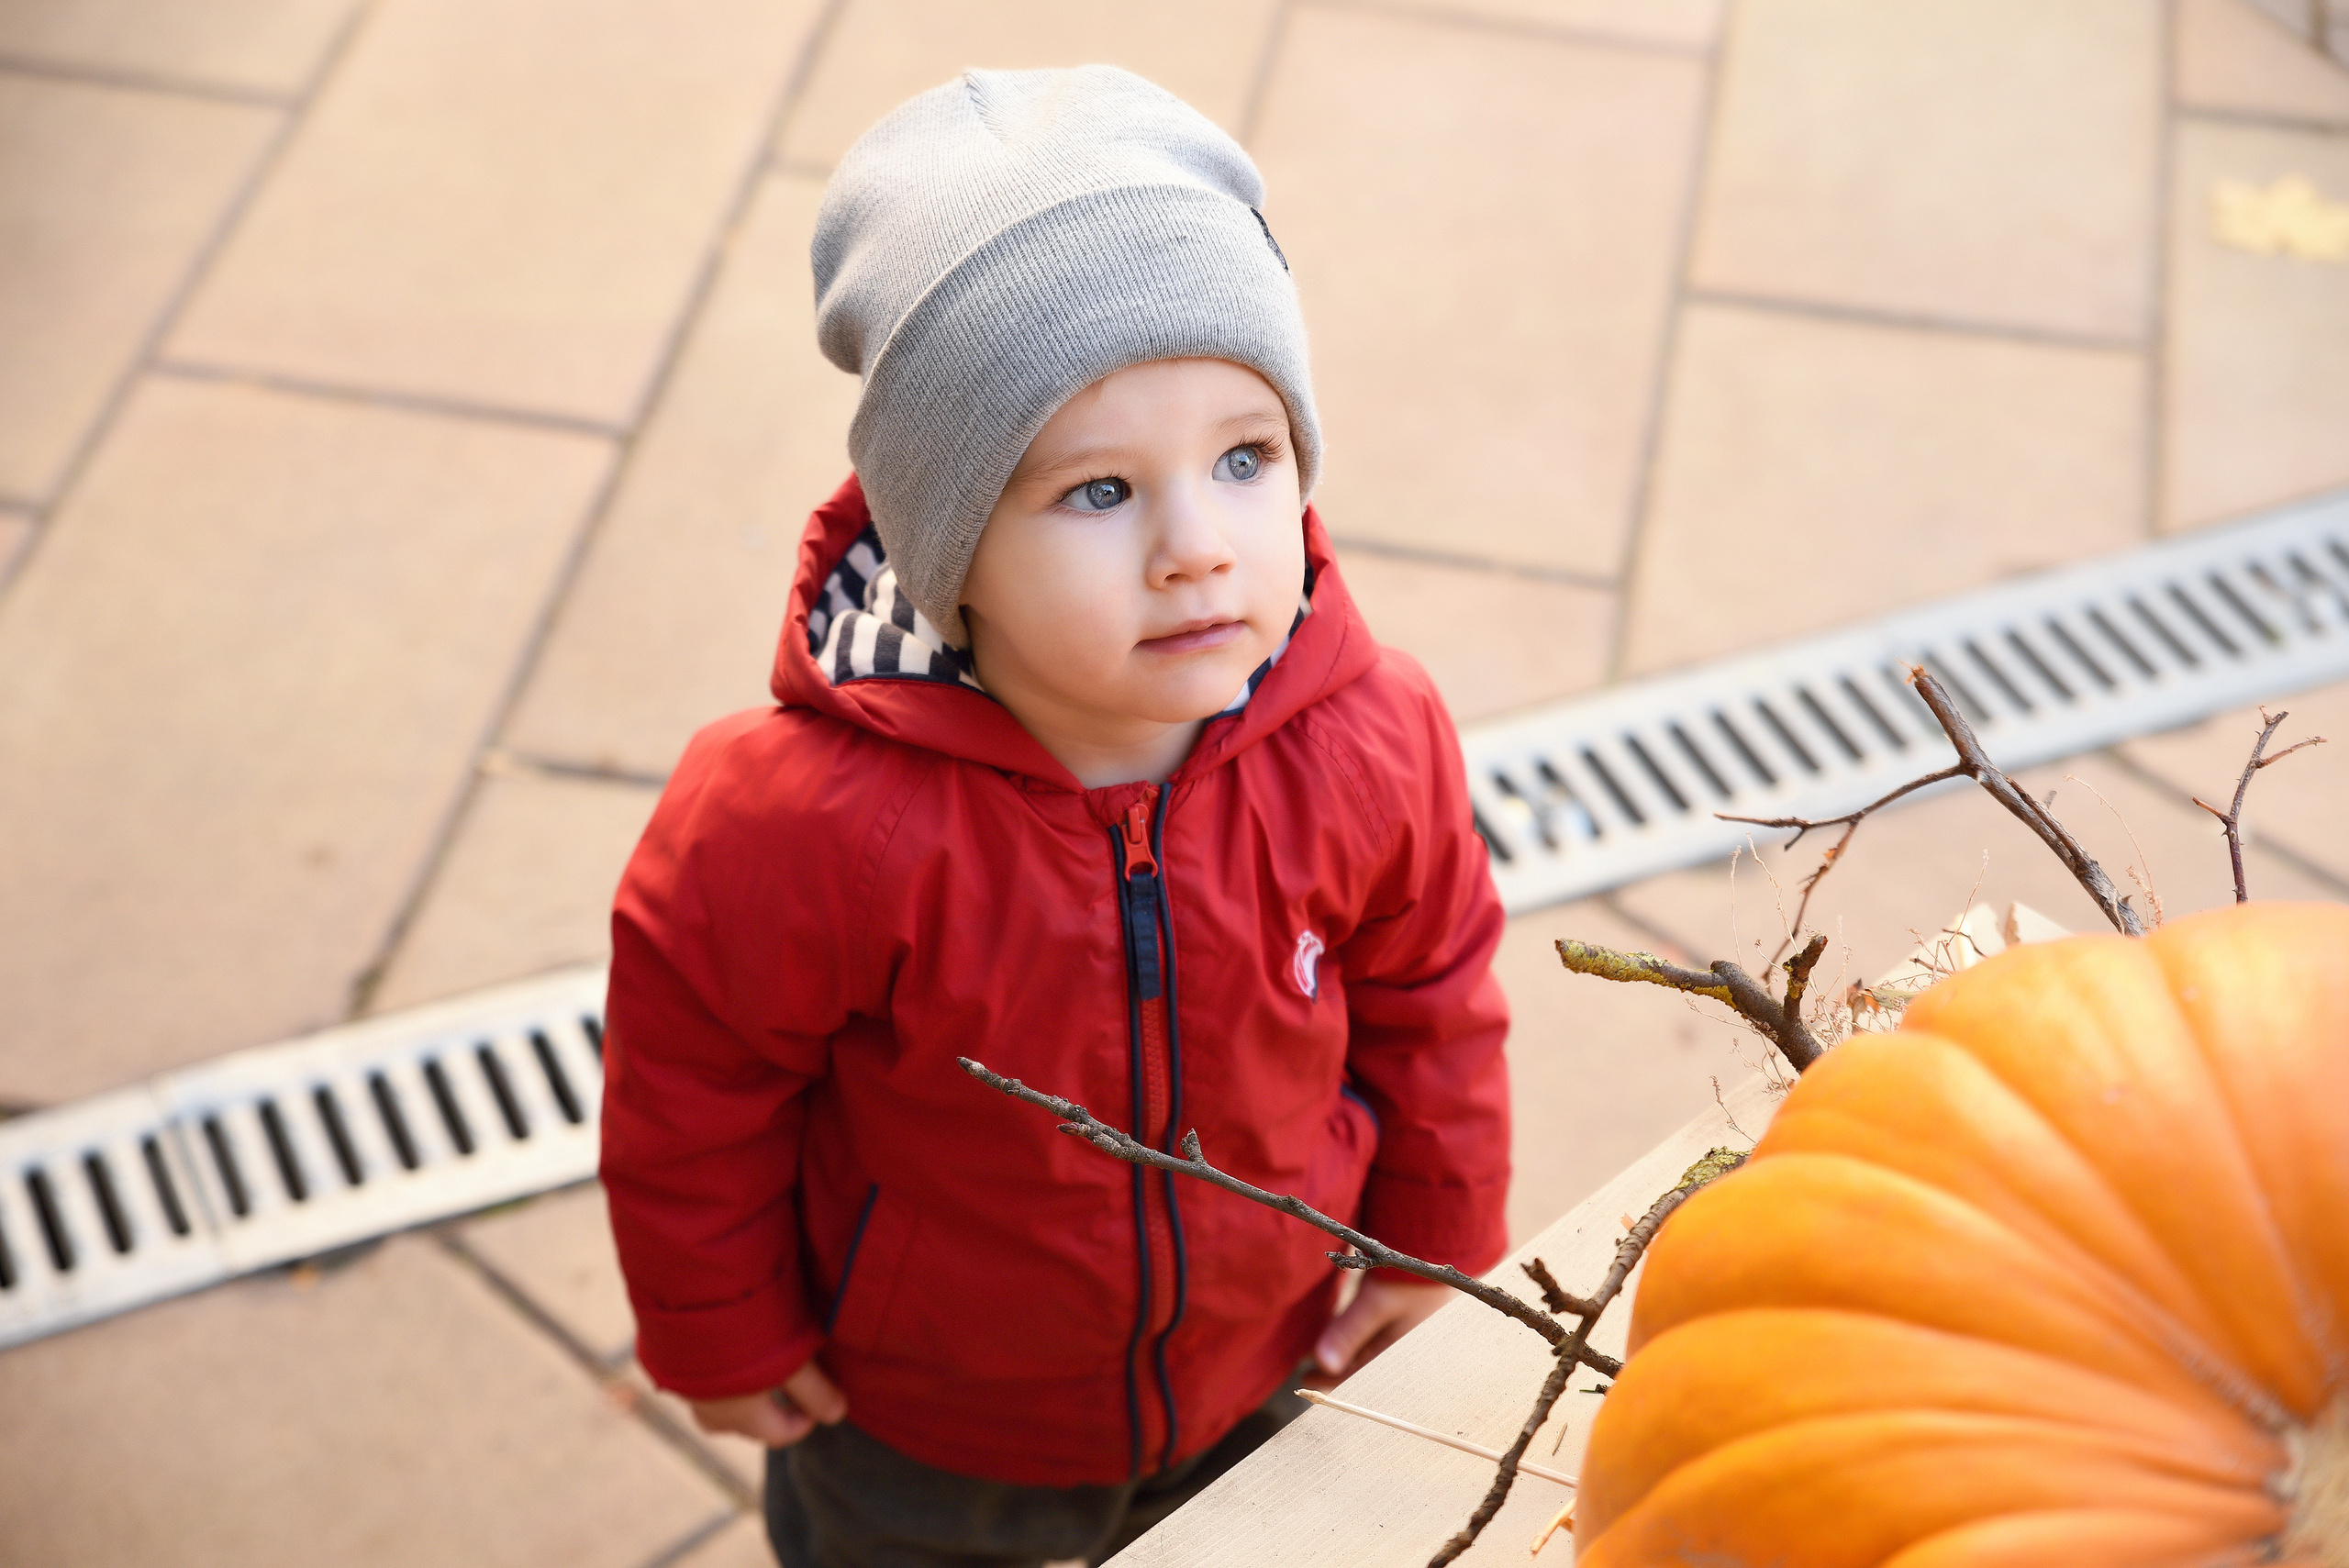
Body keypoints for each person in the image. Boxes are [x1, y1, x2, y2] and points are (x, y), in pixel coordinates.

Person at [599, 65, 1510, 1568]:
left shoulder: (1364, 736)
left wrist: (1438, 1223)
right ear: (943, 546)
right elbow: (692, 1087)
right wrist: (718, 1325)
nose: (1198, 549)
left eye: (1244, 458)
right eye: (1097, 492)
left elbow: (1431, 994)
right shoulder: (802, 822)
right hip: (924, 1428)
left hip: (1262, 1360)